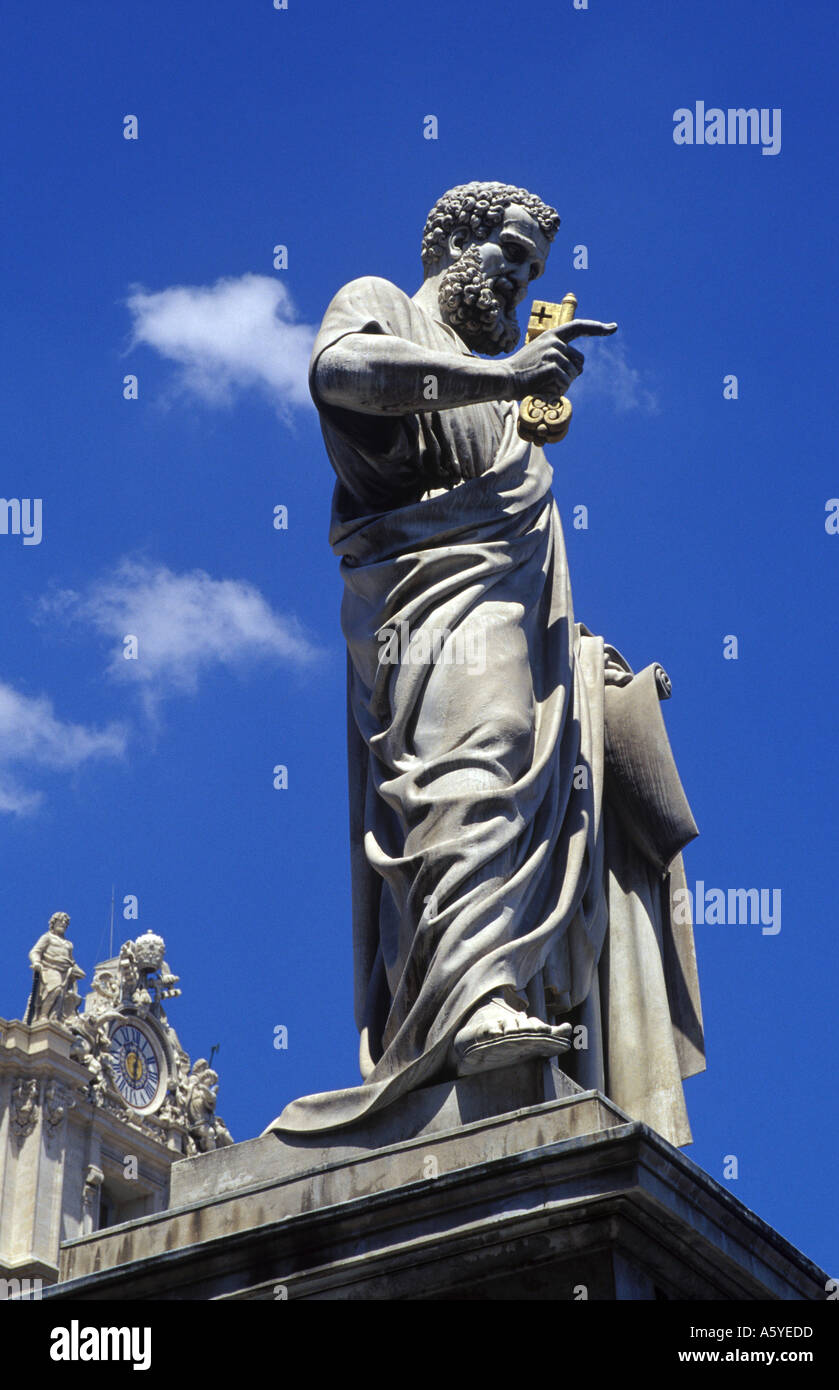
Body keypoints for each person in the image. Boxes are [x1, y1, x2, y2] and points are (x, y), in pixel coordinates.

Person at [270, 182, 704, 1146]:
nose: (518, 278)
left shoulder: (497, 396)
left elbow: (533, 591)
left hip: (502, 616)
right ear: (454, 241)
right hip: (423, 604)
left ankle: (499, 1003)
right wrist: (508, 377)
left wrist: (588, 671)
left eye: (532, 269)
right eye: (508, 253)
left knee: (517, 759)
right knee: (479, 754)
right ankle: (469, 1008)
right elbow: (344, 376)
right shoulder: (381, 301)